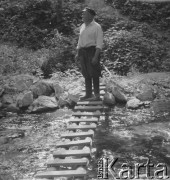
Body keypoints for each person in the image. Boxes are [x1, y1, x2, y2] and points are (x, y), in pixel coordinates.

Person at [76, 7, 103, 101]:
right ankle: (88, 94)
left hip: (92, 51)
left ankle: (97, 95)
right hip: (82, 52)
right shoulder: (82, 26)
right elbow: (80, 40)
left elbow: (99, 43)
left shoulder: (97, 27)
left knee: (94, 73)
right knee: (86, 73)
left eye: (84, 14)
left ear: (91, 15)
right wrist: (77, 52)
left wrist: (96, 56)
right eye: (82, 14)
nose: (82, 15)